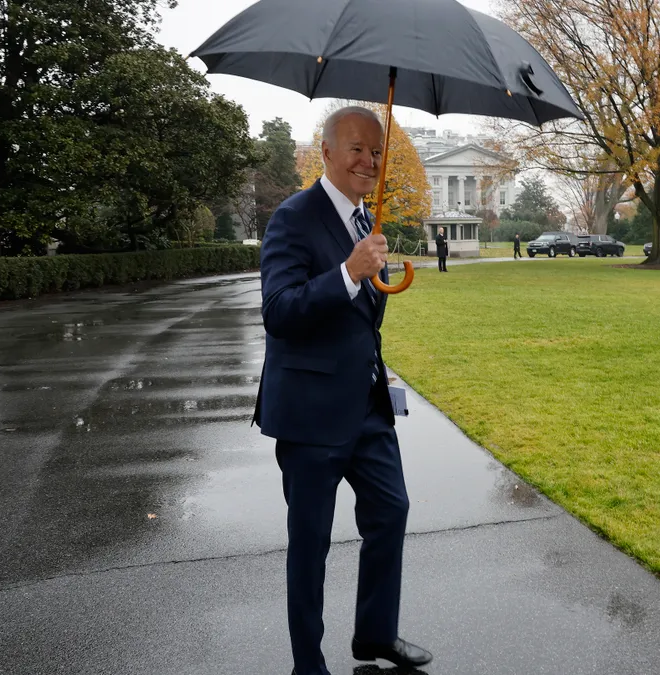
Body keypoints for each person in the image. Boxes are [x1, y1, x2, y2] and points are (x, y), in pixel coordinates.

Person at [253, 106, 433, 675]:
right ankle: (308, 663)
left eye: (377, 152)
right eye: (356, 149)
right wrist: (349, 273)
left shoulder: (364, 221)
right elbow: (279, 313)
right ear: (325, 152)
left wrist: (371, 276)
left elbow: (361, 320)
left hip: (368, 406)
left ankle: (375, 635)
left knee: (391, 510)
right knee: (311, 542)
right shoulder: (292, 218)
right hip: (310, 413)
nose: (369, 161)